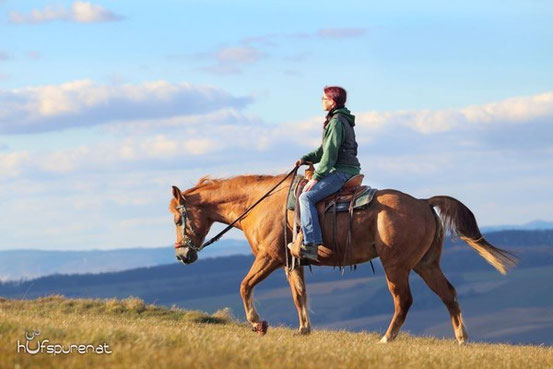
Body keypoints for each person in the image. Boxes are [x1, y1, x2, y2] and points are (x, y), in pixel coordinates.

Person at [291, 86, 361, 262]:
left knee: (305, 198)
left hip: (342, 172)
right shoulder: (340, 119)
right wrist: (305, 158)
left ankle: (311, 244)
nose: (321, 101)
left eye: (323, 99)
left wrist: (316, 177)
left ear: (332, 101)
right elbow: (324, 150)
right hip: (347, 169)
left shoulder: (337, 122)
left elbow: (329, 155)